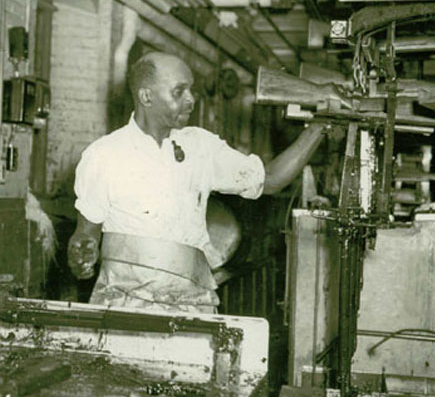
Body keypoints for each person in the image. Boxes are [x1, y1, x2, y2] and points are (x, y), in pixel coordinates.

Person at [67, 51, 328, 313]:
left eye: (191, 90)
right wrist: (82, 255)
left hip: (191, 304)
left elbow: (270, 180)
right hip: (125, 305)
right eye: (179, 92)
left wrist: (320, 126)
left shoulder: (200, 147)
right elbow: (85, 233)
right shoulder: (104, 155)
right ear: (147, 96)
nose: (191, 100)